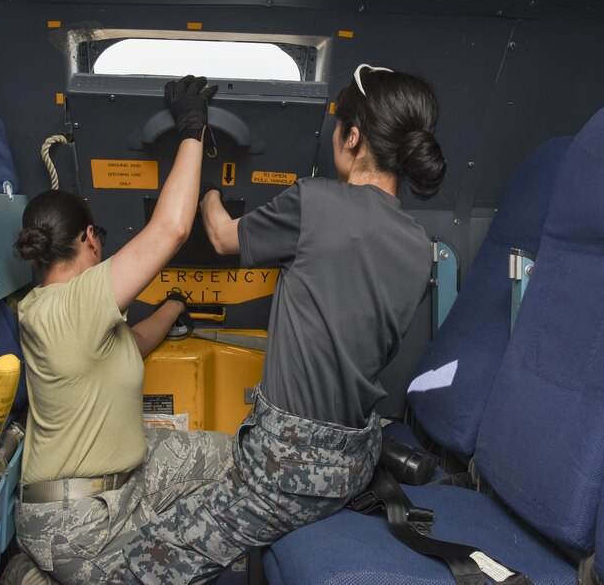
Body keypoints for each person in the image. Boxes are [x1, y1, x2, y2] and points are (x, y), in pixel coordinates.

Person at [114, 63, 447, 584]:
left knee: (142, 562)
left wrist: (206, 192)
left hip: (286, 471)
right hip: (353, 458)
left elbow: (222, 237)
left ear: (353, 137)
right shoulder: (418, 247)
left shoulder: (317, 203)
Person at [5, 76, 233, 584]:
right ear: (88, 238)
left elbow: (128, 345)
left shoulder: (59, 311)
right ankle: (34, 575)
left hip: (128, 478)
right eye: (99, 238)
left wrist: (173, 307)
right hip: (79, 522)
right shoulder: (75, 302)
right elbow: (171, 228)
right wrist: (192, 129)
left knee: (241, 458)